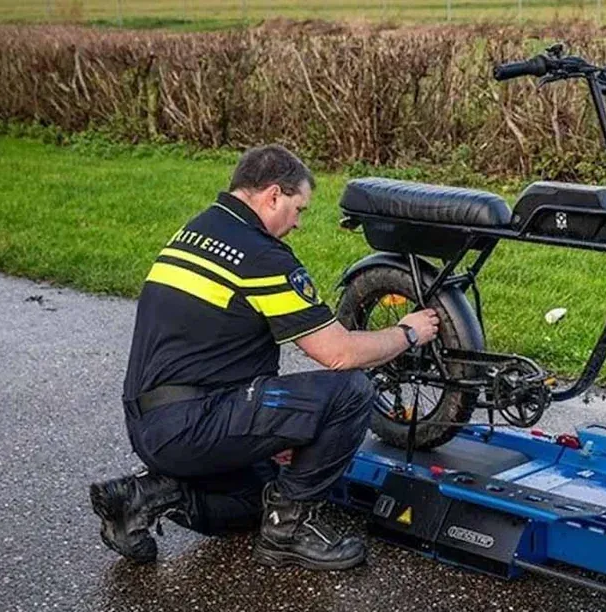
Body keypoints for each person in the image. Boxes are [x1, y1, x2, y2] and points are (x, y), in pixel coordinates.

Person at [90, 145, 439, 570]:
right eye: (298, 209)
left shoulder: (198, 230)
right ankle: (287, 532)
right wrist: (408, 332)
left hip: (150, 424)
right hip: (194, 422)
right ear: (273, 195)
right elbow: (340, 353)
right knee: (351, 390)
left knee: (259, 495)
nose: (297, 223)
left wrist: (270, 433)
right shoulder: (261, 256)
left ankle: (144, 497)